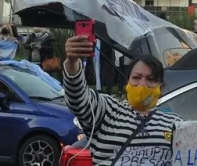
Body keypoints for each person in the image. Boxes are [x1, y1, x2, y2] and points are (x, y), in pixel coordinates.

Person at [62, 35, 182, 164]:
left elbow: (193, 155)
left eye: (151, 79)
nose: (142, 84)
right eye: (136, 77)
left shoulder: (174, 123)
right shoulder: (107, 110)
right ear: (127, 83)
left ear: (161, 87)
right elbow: (78, 100)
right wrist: (72, 63)